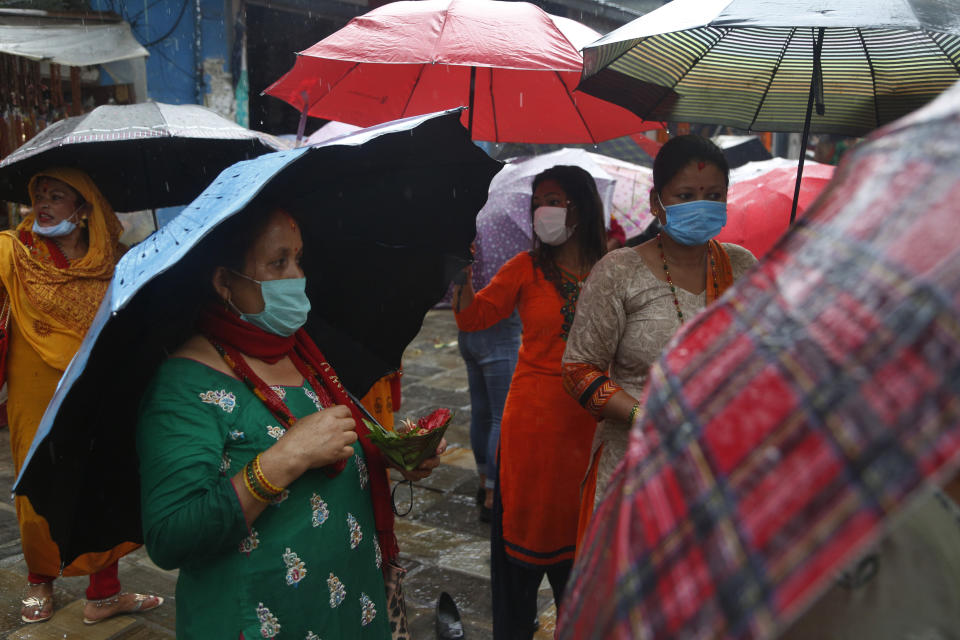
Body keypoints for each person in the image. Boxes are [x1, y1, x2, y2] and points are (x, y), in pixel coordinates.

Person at [136, 207, 444, 638]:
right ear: (224, 282)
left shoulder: (302, 351)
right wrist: (285, 459)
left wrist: (393, 457)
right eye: (278, 262)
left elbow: (334, 441)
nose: (296, 276)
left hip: (349, 606)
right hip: (259, 617)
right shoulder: (183, 385)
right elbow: (171, 535)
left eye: (299, 259)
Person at [561, 135, 757, 541]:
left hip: (717, 466)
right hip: (634, 468)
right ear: (656, 202)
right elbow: (578, 370)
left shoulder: (742, 267)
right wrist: (648, 417)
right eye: (685, 194)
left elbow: (761, 358)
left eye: (712, 195)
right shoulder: (619, 272)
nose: (699, 204)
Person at [0, 168, 163, 625]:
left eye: (57, 196)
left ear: (85, 208)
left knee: (102, 475)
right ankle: (39, 579)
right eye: (39, 197)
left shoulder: (116, 262)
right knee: (37, 478)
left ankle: (105, 593)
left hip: (96, 383)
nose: (43, 206)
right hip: (34, 384)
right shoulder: (13, 251)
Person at [452, 165, 605, 639]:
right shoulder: (524, 268)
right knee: (524, 538)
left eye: (554, 200)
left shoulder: (613, 269)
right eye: (538, 201)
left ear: (580, 206)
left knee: (581, 546)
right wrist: (460, 273)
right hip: (530, 426)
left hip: (591, 425)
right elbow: (475, 318)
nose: (544, 211)